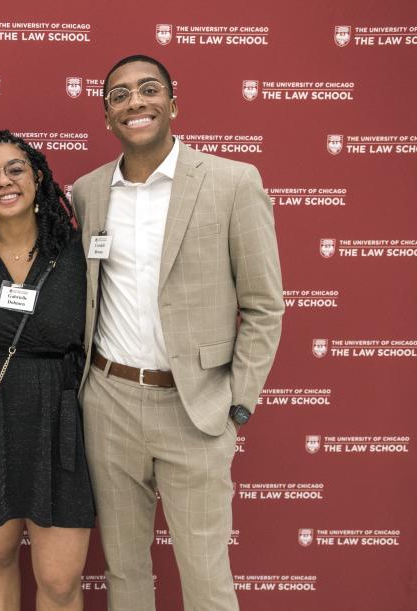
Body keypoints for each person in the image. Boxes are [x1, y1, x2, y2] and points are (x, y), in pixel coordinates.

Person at [72, 55, 284, 610]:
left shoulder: (233, 182)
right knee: (124, 572)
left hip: (196, 408)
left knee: (207, 576)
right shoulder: (88, 192)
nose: (134, 102)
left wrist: (239, 402)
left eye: (147, 90)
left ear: (173, 101)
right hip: (110, 403)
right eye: (119, 95)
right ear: (106, 116)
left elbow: (264, 306)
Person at [0, 125, 94, 611]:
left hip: (61, 422)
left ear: (37, 179)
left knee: (58, 580)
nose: (4, 182)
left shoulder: (76, 252)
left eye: (15, 169)